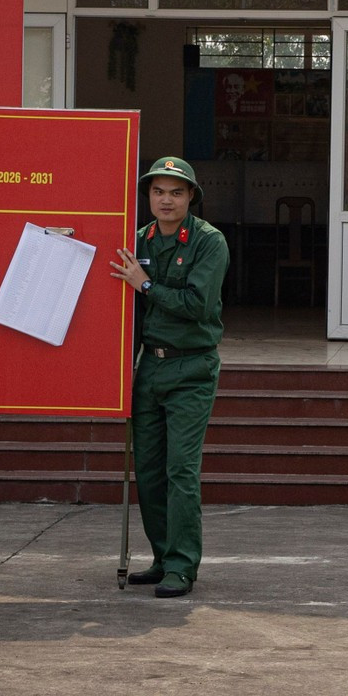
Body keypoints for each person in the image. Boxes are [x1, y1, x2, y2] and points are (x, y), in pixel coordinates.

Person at [109, 156, 230, 599]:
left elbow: (197, 304)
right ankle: (162, 558)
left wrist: (144, 284)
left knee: (181, 470)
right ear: (148, 195)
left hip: (191, 368)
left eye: (176, 192)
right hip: (149, 368)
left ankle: (182, 565)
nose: (166, 200)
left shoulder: (208, 242)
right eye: (158, 191)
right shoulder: (137, 240)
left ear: (191, 197)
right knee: (149, 471)